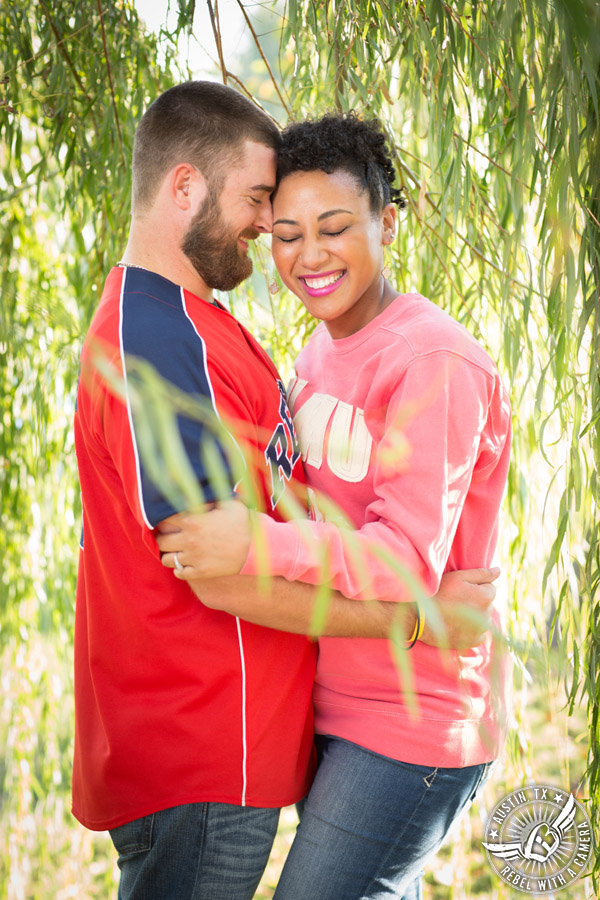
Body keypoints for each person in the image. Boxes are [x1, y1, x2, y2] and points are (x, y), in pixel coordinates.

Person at [74, 80, 500, 900]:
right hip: (209, 744)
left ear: (386, 222)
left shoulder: (218, 330)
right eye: (266, 205)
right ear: (186, 188)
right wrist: (418, 617)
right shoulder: (160, 338)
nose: (275, 232)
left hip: (326, 729)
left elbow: (299, 533)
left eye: (328, 225)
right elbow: (220, 566)